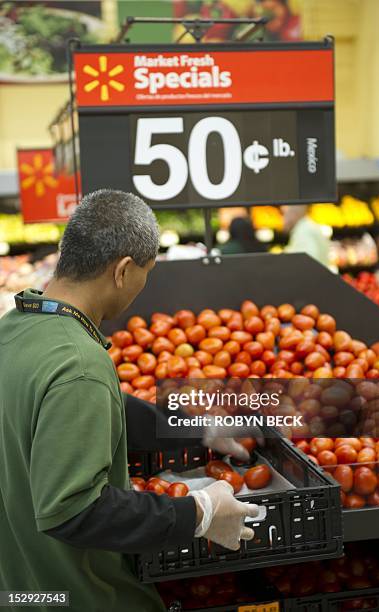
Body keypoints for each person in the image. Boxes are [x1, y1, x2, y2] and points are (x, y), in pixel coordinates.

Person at [0, 190, 259, 612]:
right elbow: (73, 510)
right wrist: (199, 512)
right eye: (147, 272)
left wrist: (198, 430)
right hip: (81, 596)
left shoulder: (18, 326)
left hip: (23, 588)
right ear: (123, 271)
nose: (143, 286)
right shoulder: (79, 364)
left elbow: (90, 409)